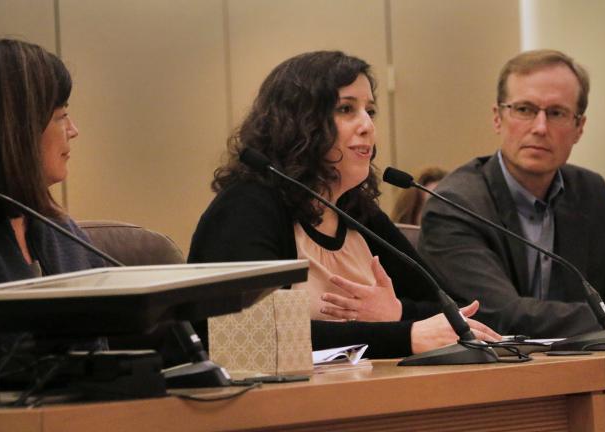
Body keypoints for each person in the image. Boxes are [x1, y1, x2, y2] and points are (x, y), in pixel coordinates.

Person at [188, 51, 499, 358]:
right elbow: (255, 335)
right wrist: (403, 334)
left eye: (371, 111)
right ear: (298, 123)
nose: (367, 125)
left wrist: (396, 311)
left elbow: (457, 313)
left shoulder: (356, 212)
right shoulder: (247, 208)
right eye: (346, 109)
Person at [419, 49, 605, 338]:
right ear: (498, 118)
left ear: (579, 128)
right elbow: (503, 317)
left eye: (556, 113)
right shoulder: (456, 204)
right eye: (524, 110)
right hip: (492, 376)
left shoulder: (593, 194)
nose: (540, 128)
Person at [0, 37, 105, 370]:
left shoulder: (62, 230)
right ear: (14, 131)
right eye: (61, 116)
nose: (73, 130)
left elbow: (102, 359)